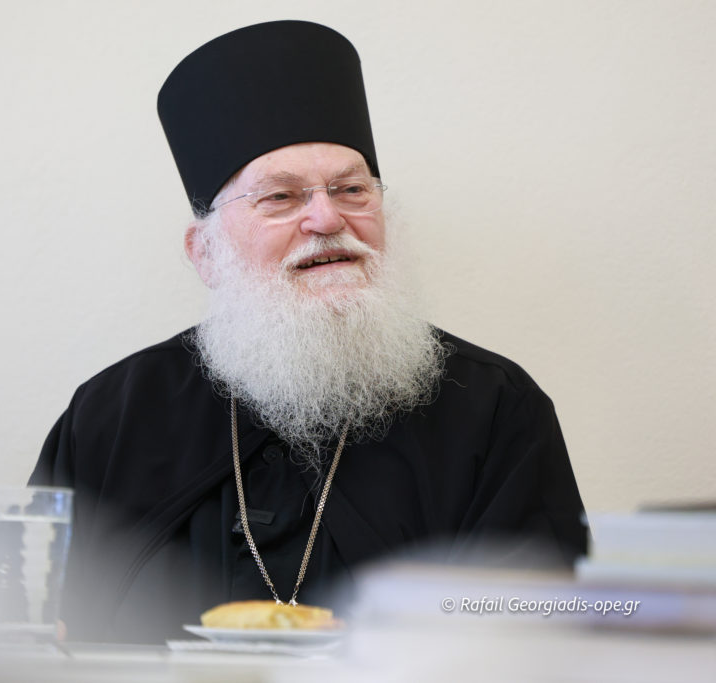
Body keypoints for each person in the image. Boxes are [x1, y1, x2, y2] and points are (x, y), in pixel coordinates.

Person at [29, 20, 587, 644]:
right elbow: (8, 612)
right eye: (281, 197)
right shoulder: (112, 415)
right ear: (205, 252)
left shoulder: (494, 408)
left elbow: (540, 633)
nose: (327, 218)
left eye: (351, 189)